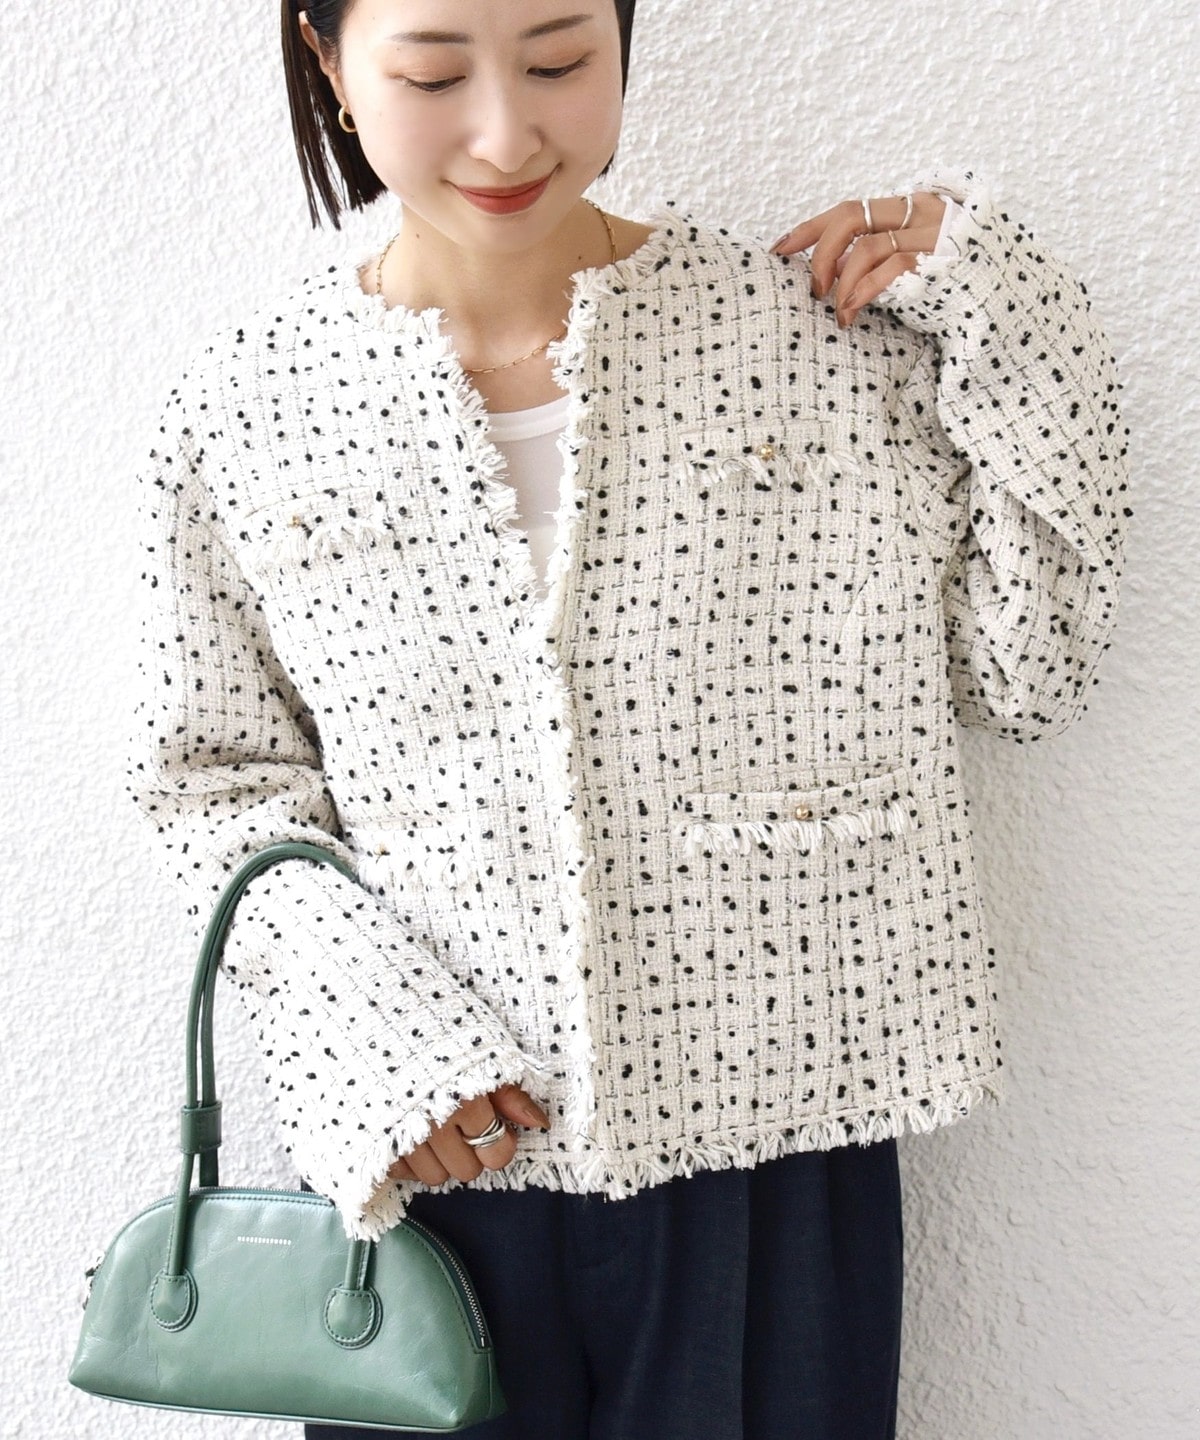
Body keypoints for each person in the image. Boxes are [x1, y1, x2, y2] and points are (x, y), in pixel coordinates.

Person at [125, 1, 1130, 1436]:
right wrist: (375, 1041)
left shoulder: (812, 341)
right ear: (328, 61)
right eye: (433, 72)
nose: (505, 135)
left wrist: (1011, 321)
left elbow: (1031, 671)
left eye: (558, 61)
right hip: (420, 1161)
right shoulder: (242, 409)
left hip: (778, 1136)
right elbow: (209, 784)